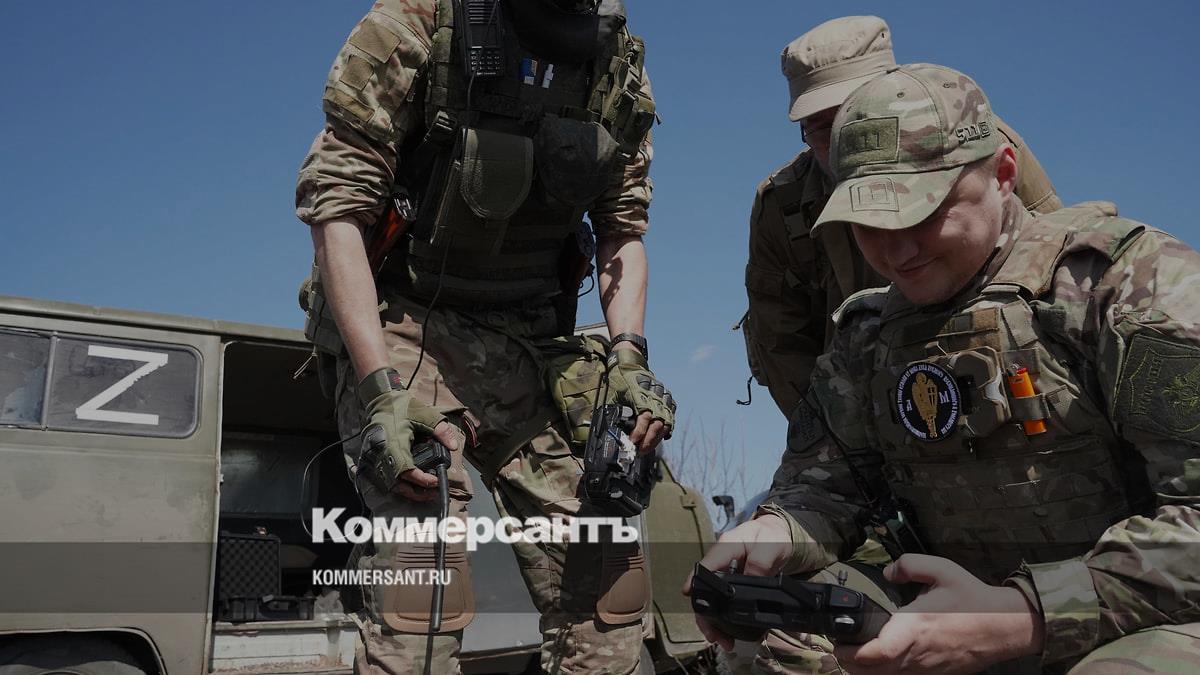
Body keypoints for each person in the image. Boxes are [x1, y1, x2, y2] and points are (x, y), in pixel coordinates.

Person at [692, 63, 1200, 674]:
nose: (898, 250)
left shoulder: (1129, 286)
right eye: (870, 223)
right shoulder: (868, 336)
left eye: (924, 212)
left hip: (1141, 620)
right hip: (957, 621)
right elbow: (825, 490)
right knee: (785, 634)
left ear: (1003, 175)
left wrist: (1025, 614)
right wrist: (776, 533)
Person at [295, 0, 675, 672]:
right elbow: (338, 207)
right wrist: (379, 388)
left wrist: (628, 358)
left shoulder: (614, 62)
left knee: (605, 567)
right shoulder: (418, 19)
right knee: (423, 562)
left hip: (530, 340)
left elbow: (622, 226)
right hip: (403, 323)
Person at [743, 15, 1063, 419]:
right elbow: (780, 343)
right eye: (821, 128)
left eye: (853, 114)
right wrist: (834, 432)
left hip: (1006, 382)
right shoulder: (782, 203)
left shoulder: (974, 144)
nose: (842, 139)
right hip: (865, 401)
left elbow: (1052, 259)